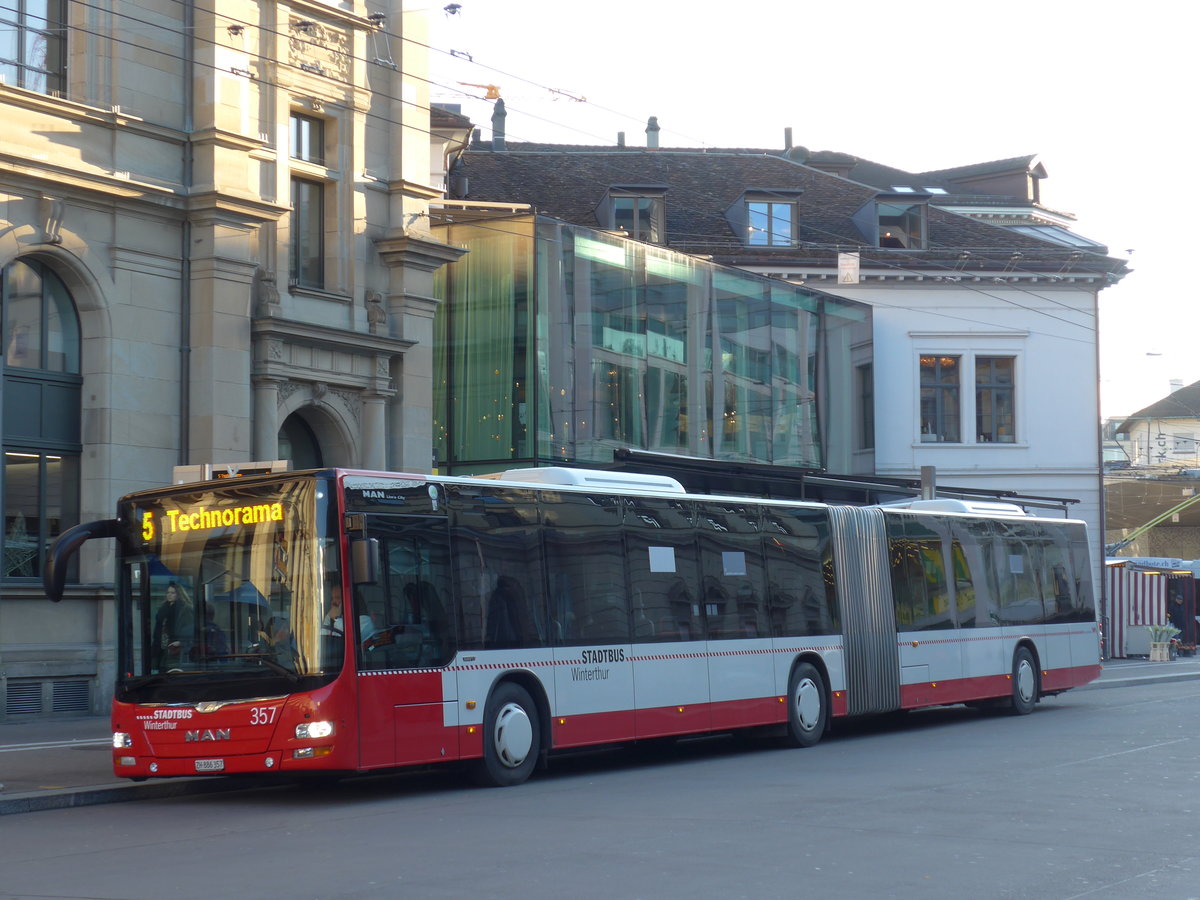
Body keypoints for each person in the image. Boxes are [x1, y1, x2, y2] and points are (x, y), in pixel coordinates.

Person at [152, 581, 193, 670]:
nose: (169, 595)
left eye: (173, 593)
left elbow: (191, 629)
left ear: (178, 594)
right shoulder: (163, 608)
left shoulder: (185, 609)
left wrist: (180, 642)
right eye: (168, 593)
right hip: (161, 648)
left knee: (173, 672)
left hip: (175, 649)